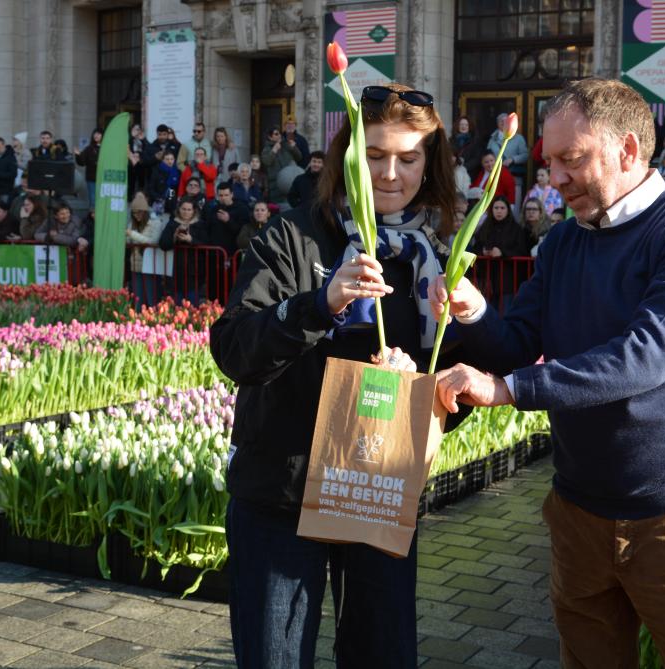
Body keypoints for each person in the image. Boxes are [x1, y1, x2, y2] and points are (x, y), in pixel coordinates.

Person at [431, 78, 665, 668]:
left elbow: (645, 356)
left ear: (627, 151)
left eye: (570, 160)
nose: (553, 179)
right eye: (549, 162)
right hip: (578, 512)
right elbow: (518, 341)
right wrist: (472, 311)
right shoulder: (561, 245)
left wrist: (508, 391)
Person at [211, 80, 463, 669]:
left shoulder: (436, 255)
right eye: (374, 155)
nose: (390, 174)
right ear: (349, 156)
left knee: (382, 654)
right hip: (283, 492)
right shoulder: (292, 235)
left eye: (408, 157)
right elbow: (234, 349)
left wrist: (417, 391)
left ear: (431, 164)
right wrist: (317, 306)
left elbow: (456, 386)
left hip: (377, 489)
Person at [159, 197, 211, 304]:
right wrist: (174, 237)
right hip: (177, 270)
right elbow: (163, 244)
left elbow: (207, 244)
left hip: (195, 270)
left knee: (193, 304)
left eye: (189, 209)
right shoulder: (172, 223)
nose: (186, 212)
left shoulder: (200, 224)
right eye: (183, 209)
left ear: (193, 211)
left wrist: (191, 239)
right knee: (178, 304)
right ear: (179, 210)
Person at [125, 192, 167, 305]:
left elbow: (153, 241)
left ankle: (152, 319)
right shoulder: (132, 224)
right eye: (134, 213)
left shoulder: (155, 223)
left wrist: (132, 234)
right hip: (135, 264)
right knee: (138, 298)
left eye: (139, 212)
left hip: (150, 265)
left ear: (145, 212)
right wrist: (127, 237)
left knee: (151, 297)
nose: (136, 215)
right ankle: (138, 318)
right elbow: (130, 241)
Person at [487, 111, 529, 193]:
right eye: (501, 121)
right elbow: (487, 154)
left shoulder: (519, 138)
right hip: (496, 178)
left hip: (513, 177)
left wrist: (513, 159)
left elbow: (525, 155)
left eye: (505, 121)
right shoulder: (492, 139)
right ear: (497, 123)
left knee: (514, 204)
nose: (503, 123)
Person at [260, 126, 303, 203]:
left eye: (279, 133)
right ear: (270, 137)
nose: (279, 135)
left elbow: (299, 157)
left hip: (290, 182)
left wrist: (294, 148)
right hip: (276, 185)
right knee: (279, 208)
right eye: (276, 134)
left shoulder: (286, 145)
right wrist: (274, 150)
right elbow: (266, 162)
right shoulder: (266, 149)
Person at [74, 127, 103, 209]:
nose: (96, 135)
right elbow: (82, 163)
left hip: (104, 178)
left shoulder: (106, 148)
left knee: (102, 200)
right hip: (92, 178)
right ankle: (93, 219)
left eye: (98, 134)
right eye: (95, 133)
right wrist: (78, 155)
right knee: (93, 201)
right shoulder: (89, 148)